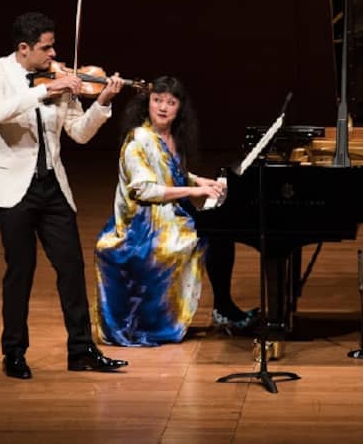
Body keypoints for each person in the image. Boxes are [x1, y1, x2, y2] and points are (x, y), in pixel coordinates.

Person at [0, 11, 129, 378]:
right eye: (46, 47)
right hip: (13, 189)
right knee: (20, 271)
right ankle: (13, 353)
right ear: (23, 48)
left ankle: (81, 350)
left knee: (71, 267)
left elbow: (79, 134)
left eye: (54, 45)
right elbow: (1, 111)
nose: (54, 54)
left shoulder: (58, 78)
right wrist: (47, 89)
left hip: (52, 186)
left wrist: (102, 102)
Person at [94, 76, 257, 347]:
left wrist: (197, 181)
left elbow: (171, 174)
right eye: (157, 100)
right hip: (142, 227)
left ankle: (223, 308)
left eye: (170, 102)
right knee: (213, 236)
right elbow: (144, 190)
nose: (162, 107)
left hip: (168, 216)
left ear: (180, 108)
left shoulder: (171, 137)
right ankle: (222, 309)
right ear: (147, 103)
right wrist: (194, 192)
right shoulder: (139, 139)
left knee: (220, 233)